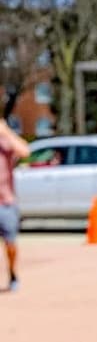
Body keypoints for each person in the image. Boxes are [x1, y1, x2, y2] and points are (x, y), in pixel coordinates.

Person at [0, 118, 30, 291]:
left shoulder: (5, 142)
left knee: (10, 244)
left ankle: (12, 273)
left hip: (5, 202)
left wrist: (6, 131)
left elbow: (25, 151)